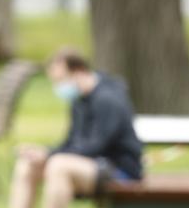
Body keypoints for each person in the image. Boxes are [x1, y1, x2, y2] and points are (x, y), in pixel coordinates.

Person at [9, 49, 143, 208]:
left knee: (58, 165)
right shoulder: (79, 100)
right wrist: (43, 152)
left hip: (119, 170)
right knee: (27, 165)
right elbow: (71, 142)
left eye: (61, 80)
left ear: (79, 71)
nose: (58, 87)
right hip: (89, 166)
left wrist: (50, 155)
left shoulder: (107, 99)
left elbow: (97, 146)